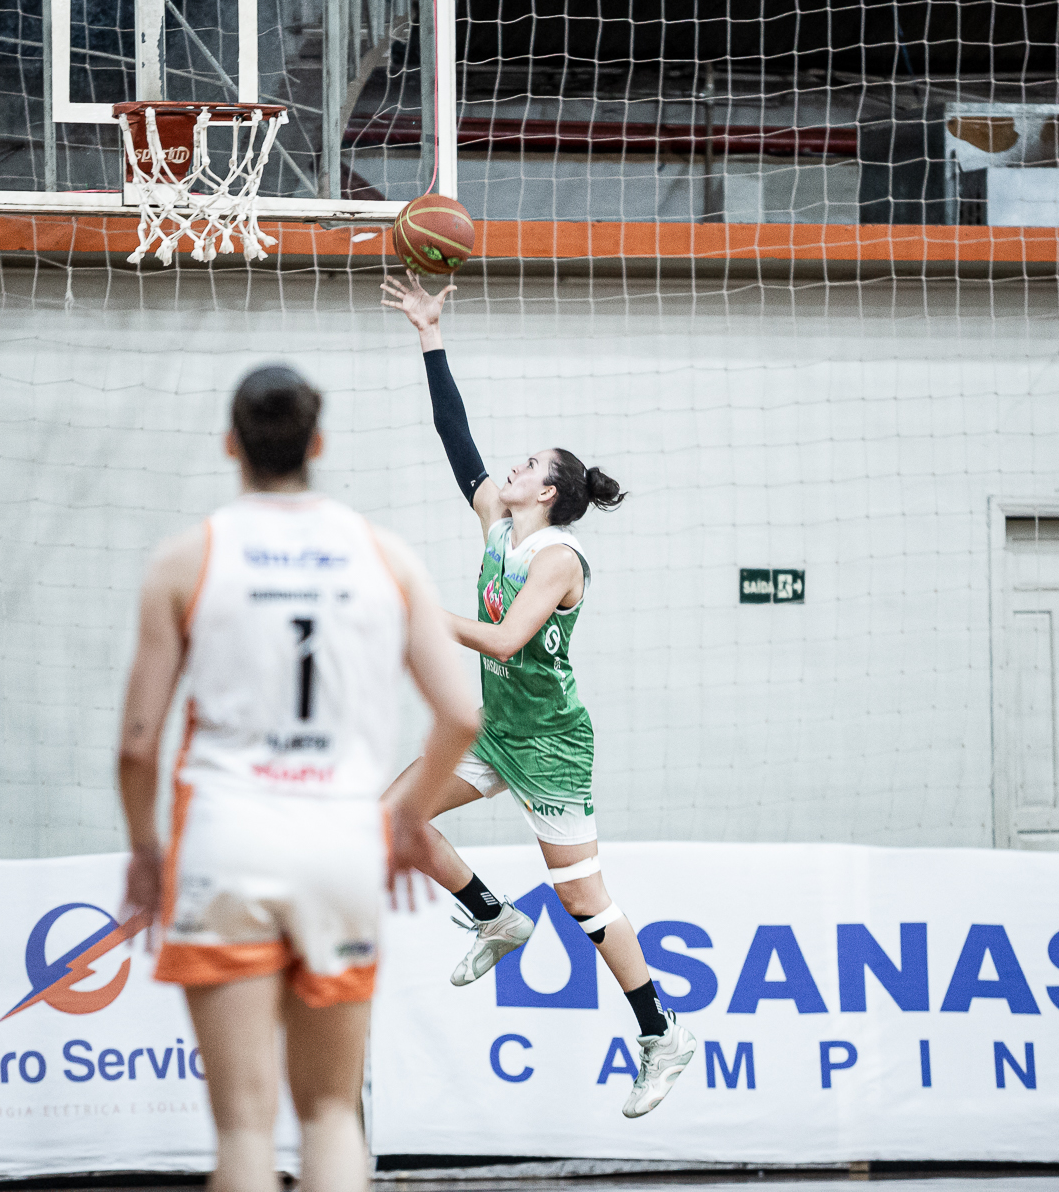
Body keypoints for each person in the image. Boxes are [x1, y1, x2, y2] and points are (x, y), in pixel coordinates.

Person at [116, 364, 482, 1192]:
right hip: (340, 843)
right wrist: (408, 818)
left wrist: (145, 850)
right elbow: (461, 715)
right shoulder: (385, 554)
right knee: (328, 1114)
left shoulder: (186, 558)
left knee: (245, 1129)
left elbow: (138, 746)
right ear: (318, 444)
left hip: (225, 840)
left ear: (229, 444)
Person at [378, 271, 698, 1120]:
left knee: (584, 900)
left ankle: (662, 1029)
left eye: (525, 466)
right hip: (493, 730)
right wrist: (429, 336)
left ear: (548, 491)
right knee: (392, 820)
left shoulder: (557, 557)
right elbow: (459, 442)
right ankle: (493, 916)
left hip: (551, 743)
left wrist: (410, 606)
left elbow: (502, 638)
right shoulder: (496, 523)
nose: (508, 469)